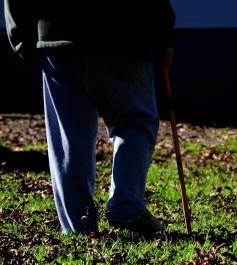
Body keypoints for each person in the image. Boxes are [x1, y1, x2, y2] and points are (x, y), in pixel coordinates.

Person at [4, 0, 176, 234]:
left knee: (69, 136)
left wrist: (20, 34)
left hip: (58, 37)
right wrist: (162, 35)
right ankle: (126, 205)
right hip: (124, 33)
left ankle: (78, 224)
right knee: (135, 123)